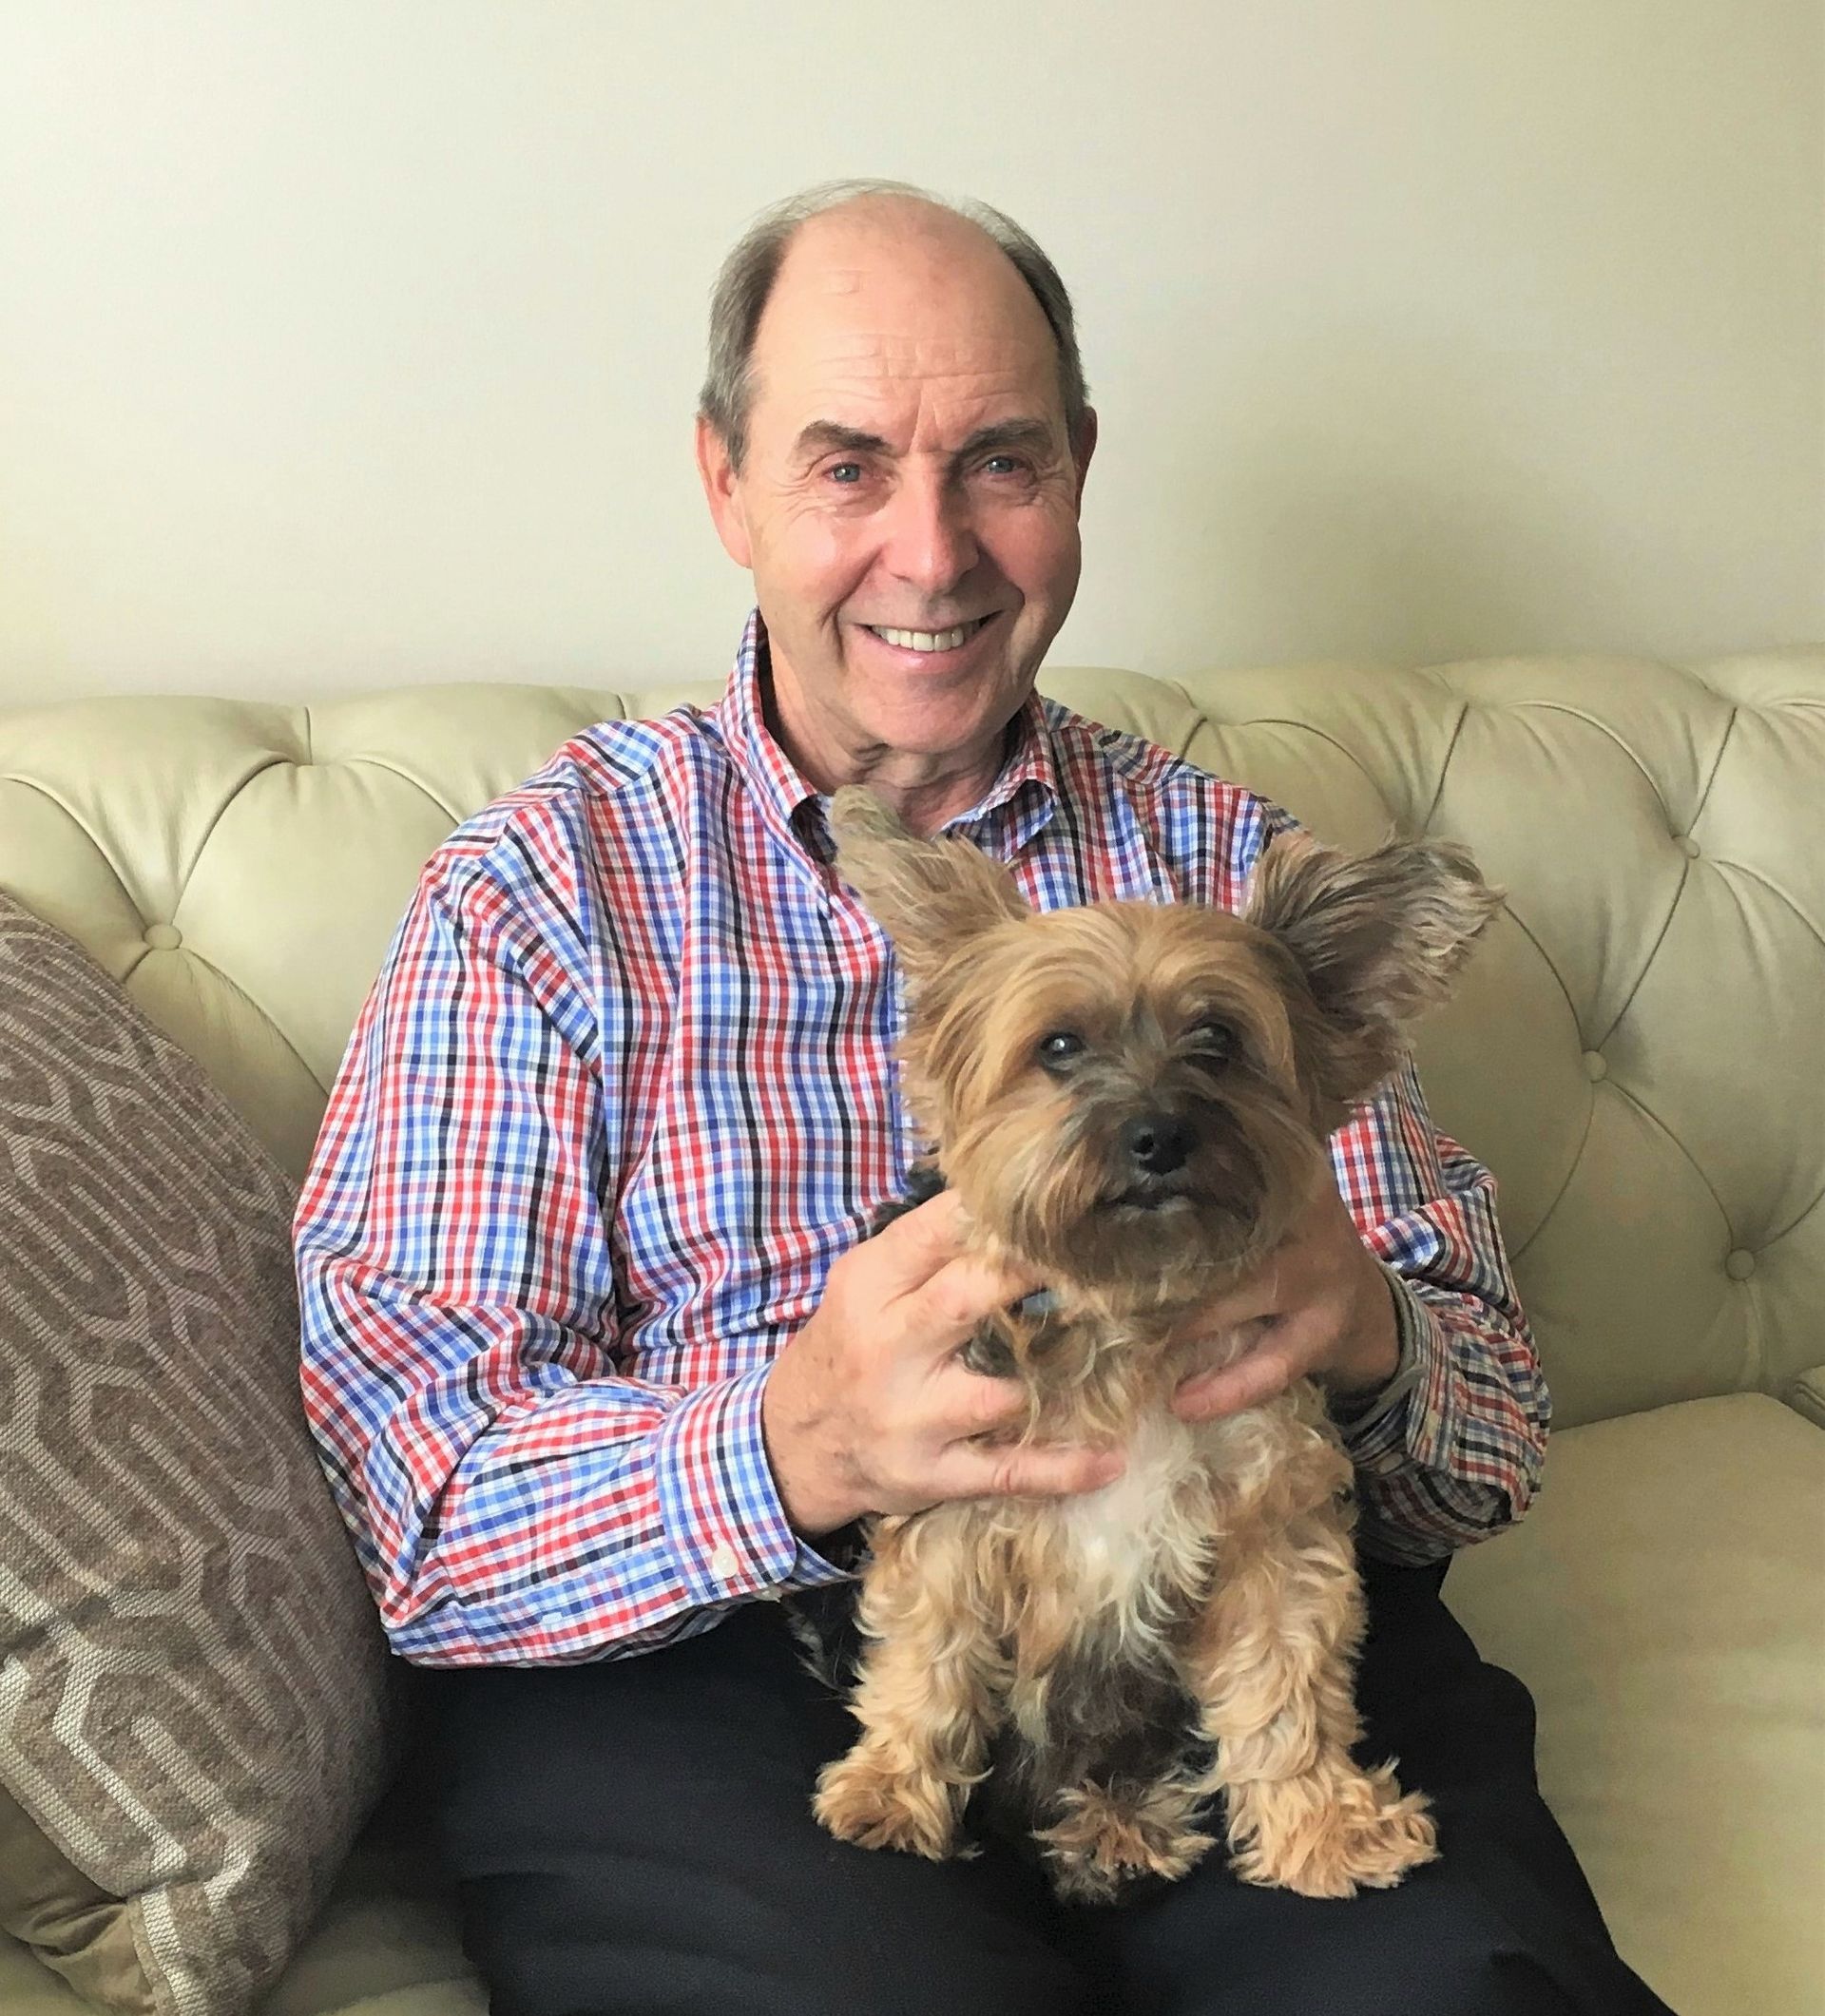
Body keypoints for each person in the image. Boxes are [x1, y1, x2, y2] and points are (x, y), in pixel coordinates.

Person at [296, 179, 1673, 2015]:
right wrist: (792, 1450)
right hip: (718, 1676)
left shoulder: (1228, 858)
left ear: (1082, 472)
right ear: (727, 484)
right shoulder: (545, 892)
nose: (932, 553)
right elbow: (417, 1493)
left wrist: (1369, 1329)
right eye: (848, 464)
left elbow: (1491, 1442)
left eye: (1001, 463)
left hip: (1227, 1623)